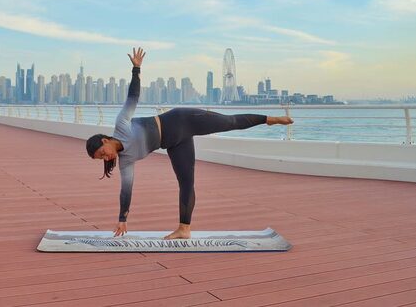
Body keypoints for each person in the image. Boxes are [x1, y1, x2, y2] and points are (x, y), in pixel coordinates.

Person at [85, 47, 294, 240]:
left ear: (105, 140)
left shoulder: (121, 124)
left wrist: (136, 69)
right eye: (101, 159)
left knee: (229, 122)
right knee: (186, 183)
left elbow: (133, 97)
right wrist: (123, 219)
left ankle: (270, 119)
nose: (106, 157)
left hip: (183, 119)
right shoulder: (126, 161)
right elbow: (126, 191)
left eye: (103, 152)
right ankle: (184, 228)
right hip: (175, 143)